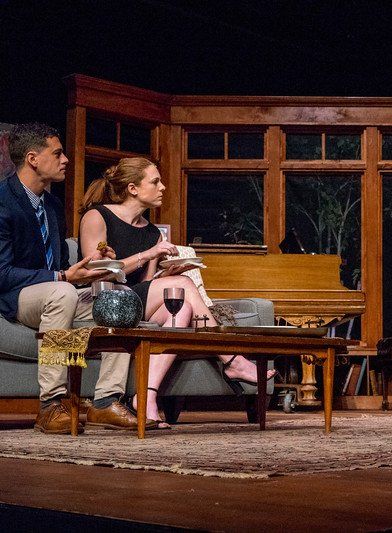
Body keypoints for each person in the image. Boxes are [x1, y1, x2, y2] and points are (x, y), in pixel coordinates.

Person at [79, 157, 275, 428]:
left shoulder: (151, 233)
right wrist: (149, 255)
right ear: (133, 188)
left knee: (180, 304)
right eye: (155, 181)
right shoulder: (98, 216)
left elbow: (145, 282)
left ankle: (145, 398)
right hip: (104, 301)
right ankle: (232, 359)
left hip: (134, 302)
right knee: (182, 287)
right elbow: (95, 270)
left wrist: (165, 275)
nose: (163, 187)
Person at [0, 123, 140, 434]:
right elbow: (3, 274)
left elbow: (63, 263)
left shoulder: (51, 204)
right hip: (16, 297)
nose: (65, 160)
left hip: (55, 293)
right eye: (58, 153)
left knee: (118, 300)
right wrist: (63, 276)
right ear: (33, 159)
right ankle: (51, 404)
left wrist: (92, 265)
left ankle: (106, 401)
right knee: (61, 292)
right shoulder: (3, 202)